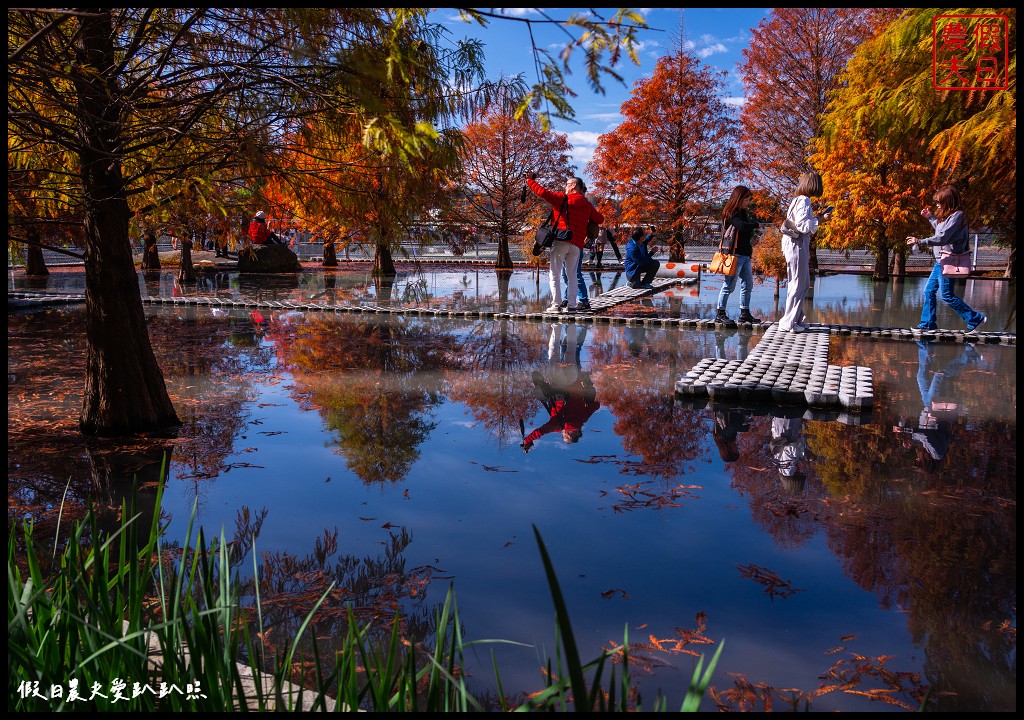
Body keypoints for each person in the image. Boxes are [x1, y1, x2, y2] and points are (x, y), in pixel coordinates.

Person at [905, 184, 987, 333]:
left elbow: (942, 237)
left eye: (939, 201)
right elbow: (940, 229)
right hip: (940, 261)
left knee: (947, 295)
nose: (937, 204)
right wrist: (930, 217)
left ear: (949, 201)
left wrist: (920, 241)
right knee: (928, 291)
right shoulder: (949, 216)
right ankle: (928, 324)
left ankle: (974, 318)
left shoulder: (958, 216)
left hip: (949, 260)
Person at [525, 174, 603, 314]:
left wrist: (530, 181)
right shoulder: (587, 204)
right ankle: (572, 305)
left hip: (560, 241)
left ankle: (556, 305)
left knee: (554, 274)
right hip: (577, 245)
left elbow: (542, 192)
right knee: (572, 275)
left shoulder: (563, 199)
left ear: (574, 186)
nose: (565, 187)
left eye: (567, 184)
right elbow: (600, 219)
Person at [521, 324, 600, 451]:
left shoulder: (583, 418)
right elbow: (539, 432)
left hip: (574, 379)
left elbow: (596, 405)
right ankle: (556, 327)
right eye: (564, 436)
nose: (562, 433)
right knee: (553, 353)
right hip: (558, 383)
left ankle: (572, 325)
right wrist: (527, 441)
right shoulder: (558, 425)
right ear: (569, 434)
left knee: (571, 351)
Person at [778, 171, 831, 333]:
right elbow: (802, 226)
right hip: (796, 244)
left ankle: (795, 318)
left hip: (794, 244)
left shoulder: (797, 200)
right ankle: (788, 322)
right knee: (798, 283)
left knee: (800, 282)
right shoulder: (804, 201)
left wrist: (816, 218)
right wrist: (821, 220)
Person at [715, 185, 762, 327]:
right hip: (734, 255)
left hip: (746, 254)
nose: (748, 202)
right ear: (739, 198)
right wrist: (755, 224)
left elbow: (745, 229)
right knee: (729, 285)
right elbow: (741, 226)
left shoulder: (743, 212)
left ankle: (744, 312)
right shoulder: (731, 213)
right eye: (746, 199)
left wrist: (752, 226)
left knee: (748, 284)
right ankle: (720, 313)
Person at [770, 415, 808, 495]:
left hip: (786, 429)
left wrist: (800, 455)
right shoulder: (782, 468)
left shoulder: (788, 469)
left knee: (789, 410)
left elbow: (789, 448)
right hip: (781, 429)